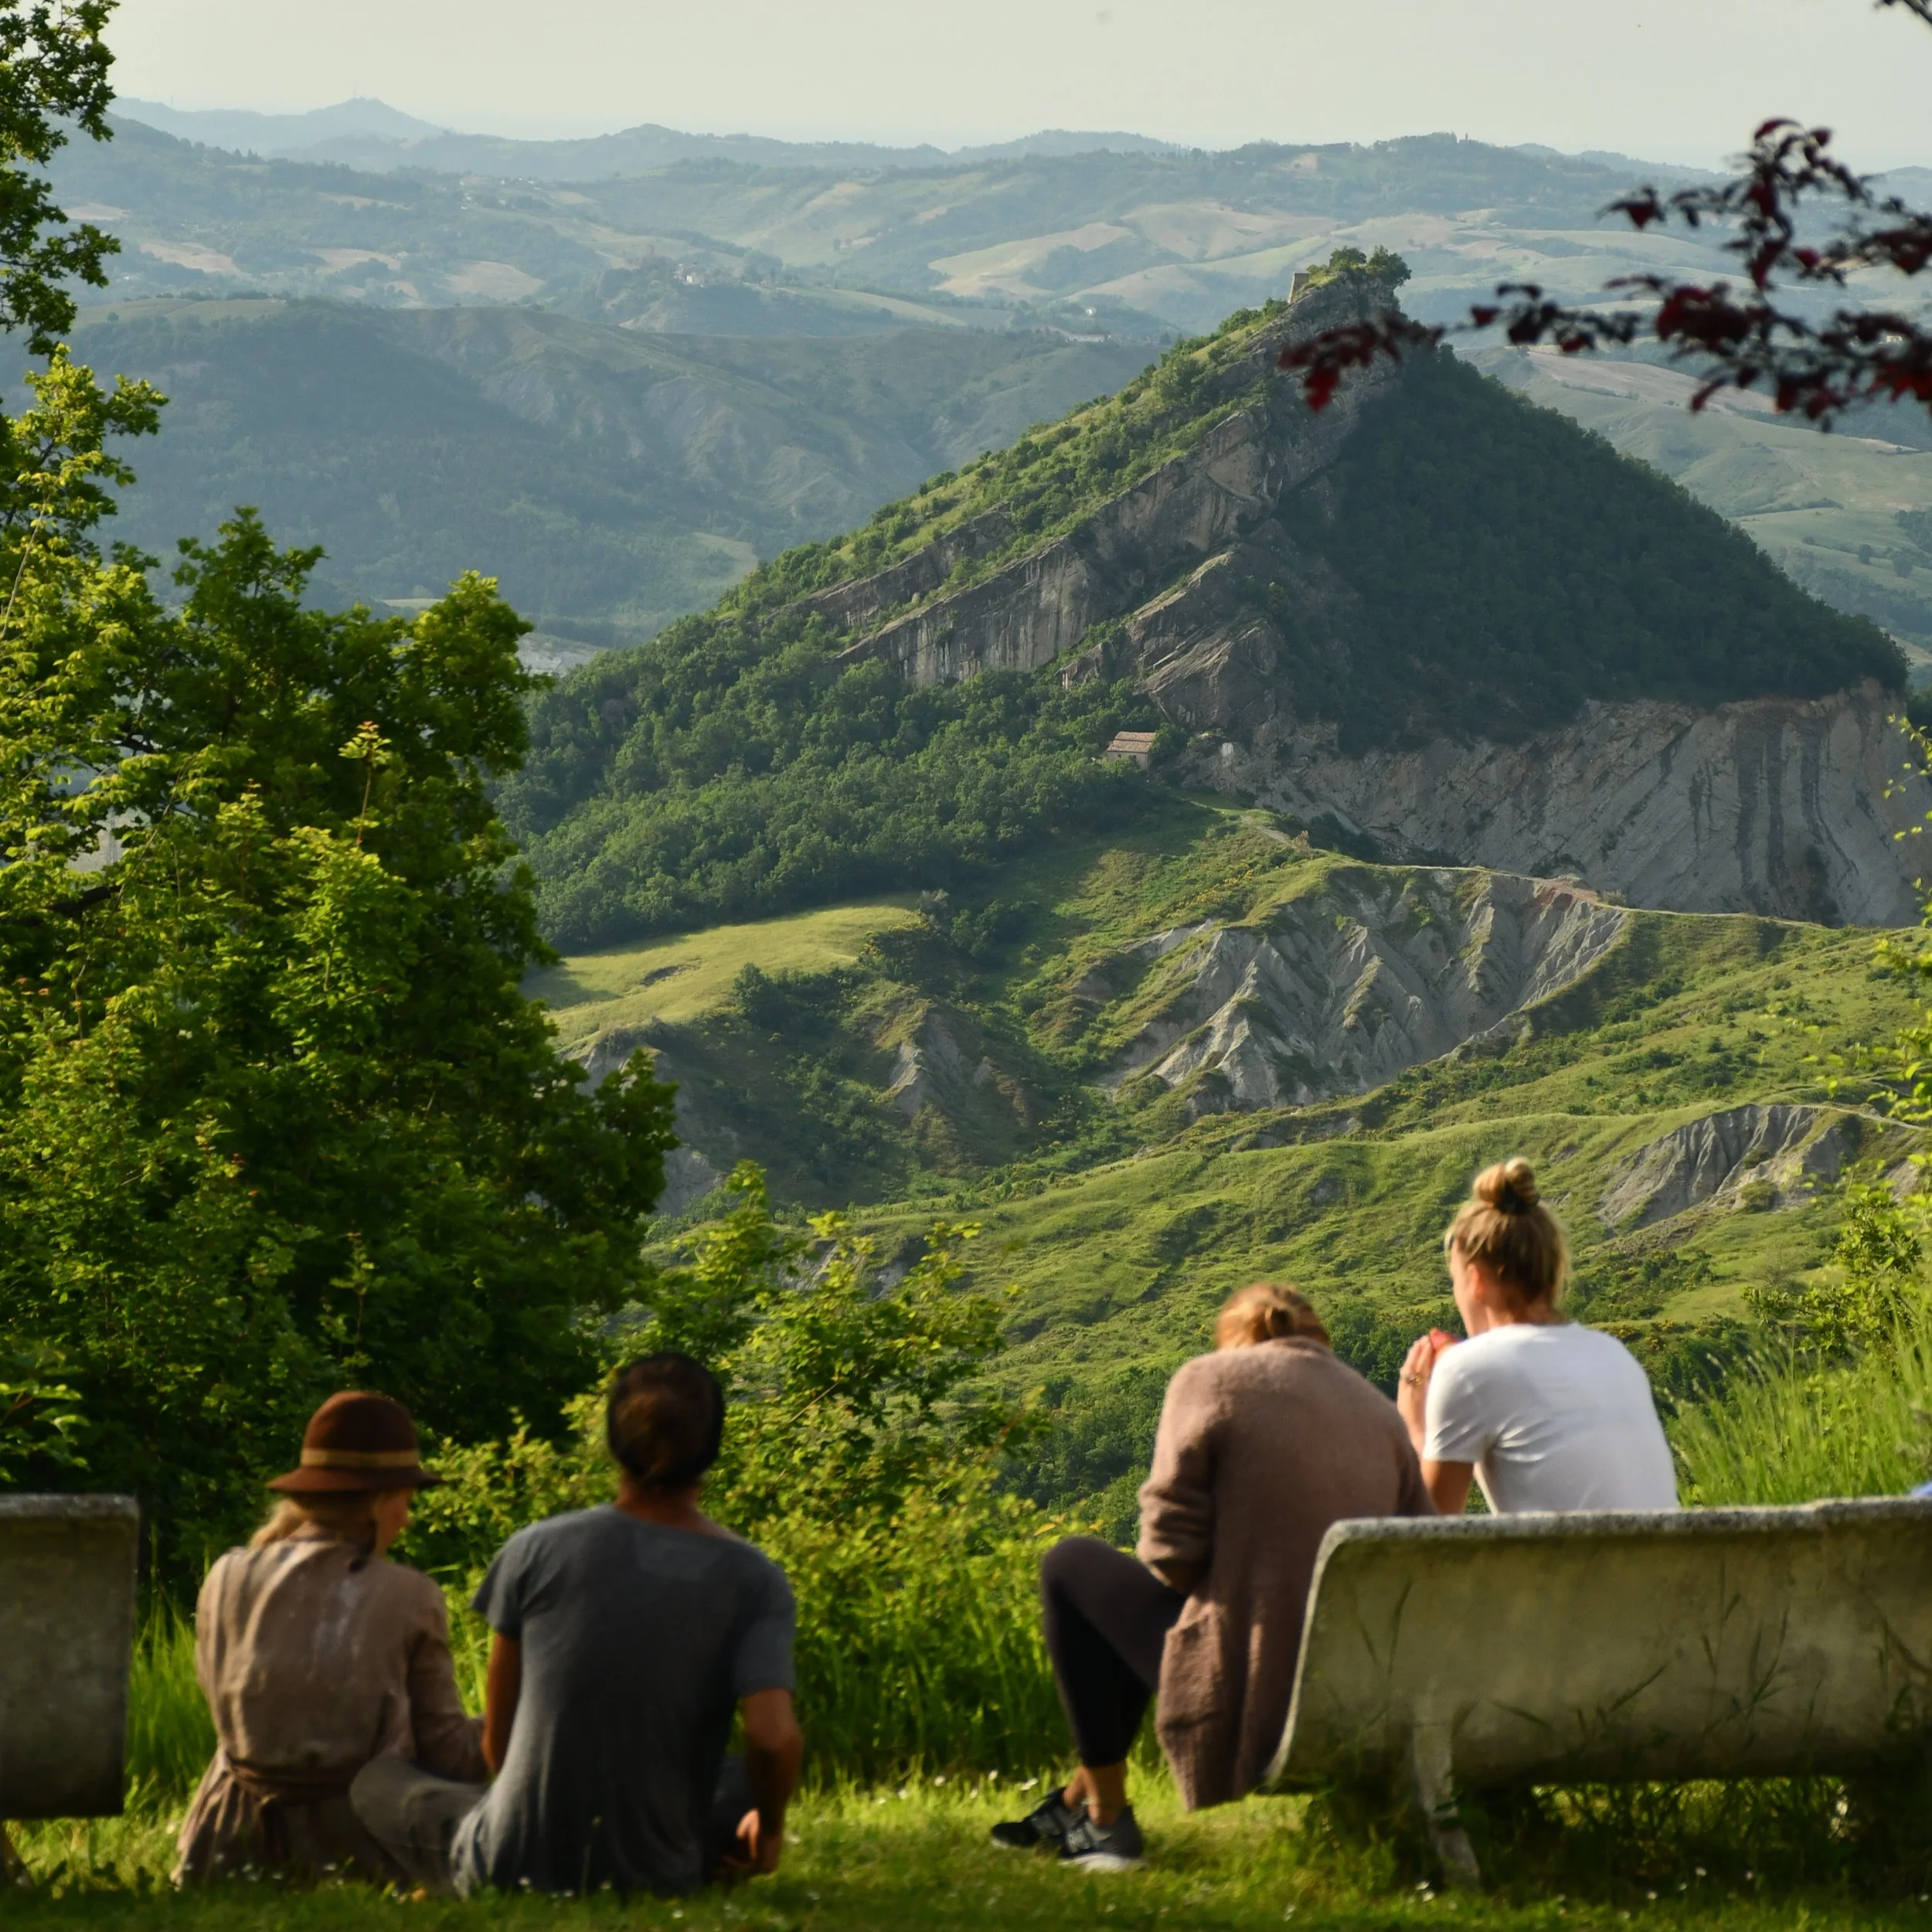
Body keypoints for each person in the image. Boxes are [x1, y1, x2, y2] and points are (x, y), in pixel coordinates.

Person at [992, 1282, 1433, 1872]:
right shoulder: (1379, 1413)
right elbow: (1419, 1558)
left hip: (1258, 1702)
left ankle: (1105, 1823)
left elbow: (1171, 1558)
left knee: (1071, 1565)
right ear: (1318, 1339)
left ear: (1236, 1340)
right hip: (1362, 1704)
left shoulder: (1209, 1382)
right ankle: (1076, 1802)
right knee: (1145, 1618)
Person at [351, 1352, 803, 1896]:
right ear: (711, 1448)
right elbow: (773, 1739)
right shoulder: (754, 1578)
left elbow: (499, 1745)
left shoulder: (534, 1550)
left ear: (614, 1443)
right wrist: (770, 1830)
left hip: (512, 1860)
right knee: (744, 1779)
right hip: (658, 1873)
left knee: (378, 1782)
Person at [174, 1391, 485, 1884]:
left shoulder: (226, 1574)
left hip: (224, 1846)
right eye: (405, 1500)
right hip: (360, 1848)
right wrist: (520, 1717)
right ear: (381, 1502)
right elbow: (450, 1754)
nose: (406, 1518)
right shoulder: (410, 1594)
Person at [1396, 1157, 1679, 1516]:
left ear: (1476, 1281)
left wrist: (1418, 1432)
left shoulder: (1468, 1370)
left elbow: (1424, 1542)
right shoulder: (1615, 1355)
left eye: (1455, 1281)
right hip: (1666, 1572)